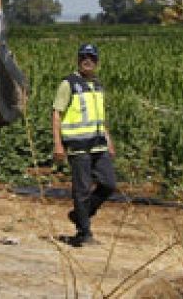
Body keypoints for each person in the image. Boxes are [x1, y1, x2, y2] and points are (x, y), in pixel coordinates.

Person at [52, 42, 116, 246]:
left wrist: (108, 139)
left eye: (92, 58)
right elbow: (57, 114)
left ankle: (81, 214)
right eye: (84, 57)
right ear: (78, 60)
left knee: (108, 184)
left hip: (98, 144)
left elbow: (99, 117)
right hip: (78, 146)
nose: (87, 61)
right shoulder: (69, 84)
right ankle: (84, 232)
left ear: (97, 61)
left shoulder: (97, 85)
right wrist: (58, 144)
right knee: (82, 189)